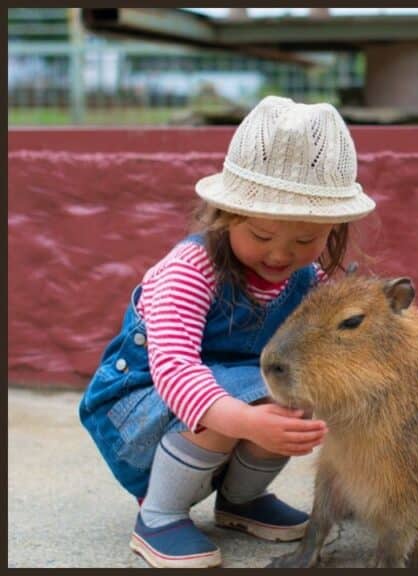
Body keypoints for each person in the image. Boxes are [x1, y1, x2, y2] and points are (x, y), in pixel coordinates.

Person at [79, 95, 376, 568]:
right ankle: (159, 515)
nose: (280, 255)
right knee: (239, 400)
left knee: (291, 395)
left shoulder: (307, 278)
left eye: (305, 240)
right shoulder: (189, 270)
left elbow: (347, 322)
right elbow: (175, 372)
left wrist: (406, 329)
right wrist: (244, 421)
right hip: (141, 409)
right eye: (261, 236)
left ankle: (240, 502)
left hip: (221, 403)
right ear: (225, 215)